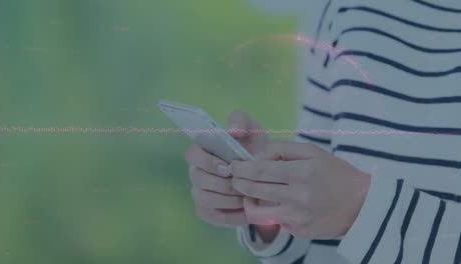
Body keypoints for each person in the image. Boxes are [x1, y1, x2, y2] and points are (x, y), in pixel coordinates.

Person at [184, 1, 461, 263]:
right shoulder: (347, 11)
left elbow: (352, 213)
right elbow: (323, 247)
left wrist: (361, 211)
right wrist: (270, 197)